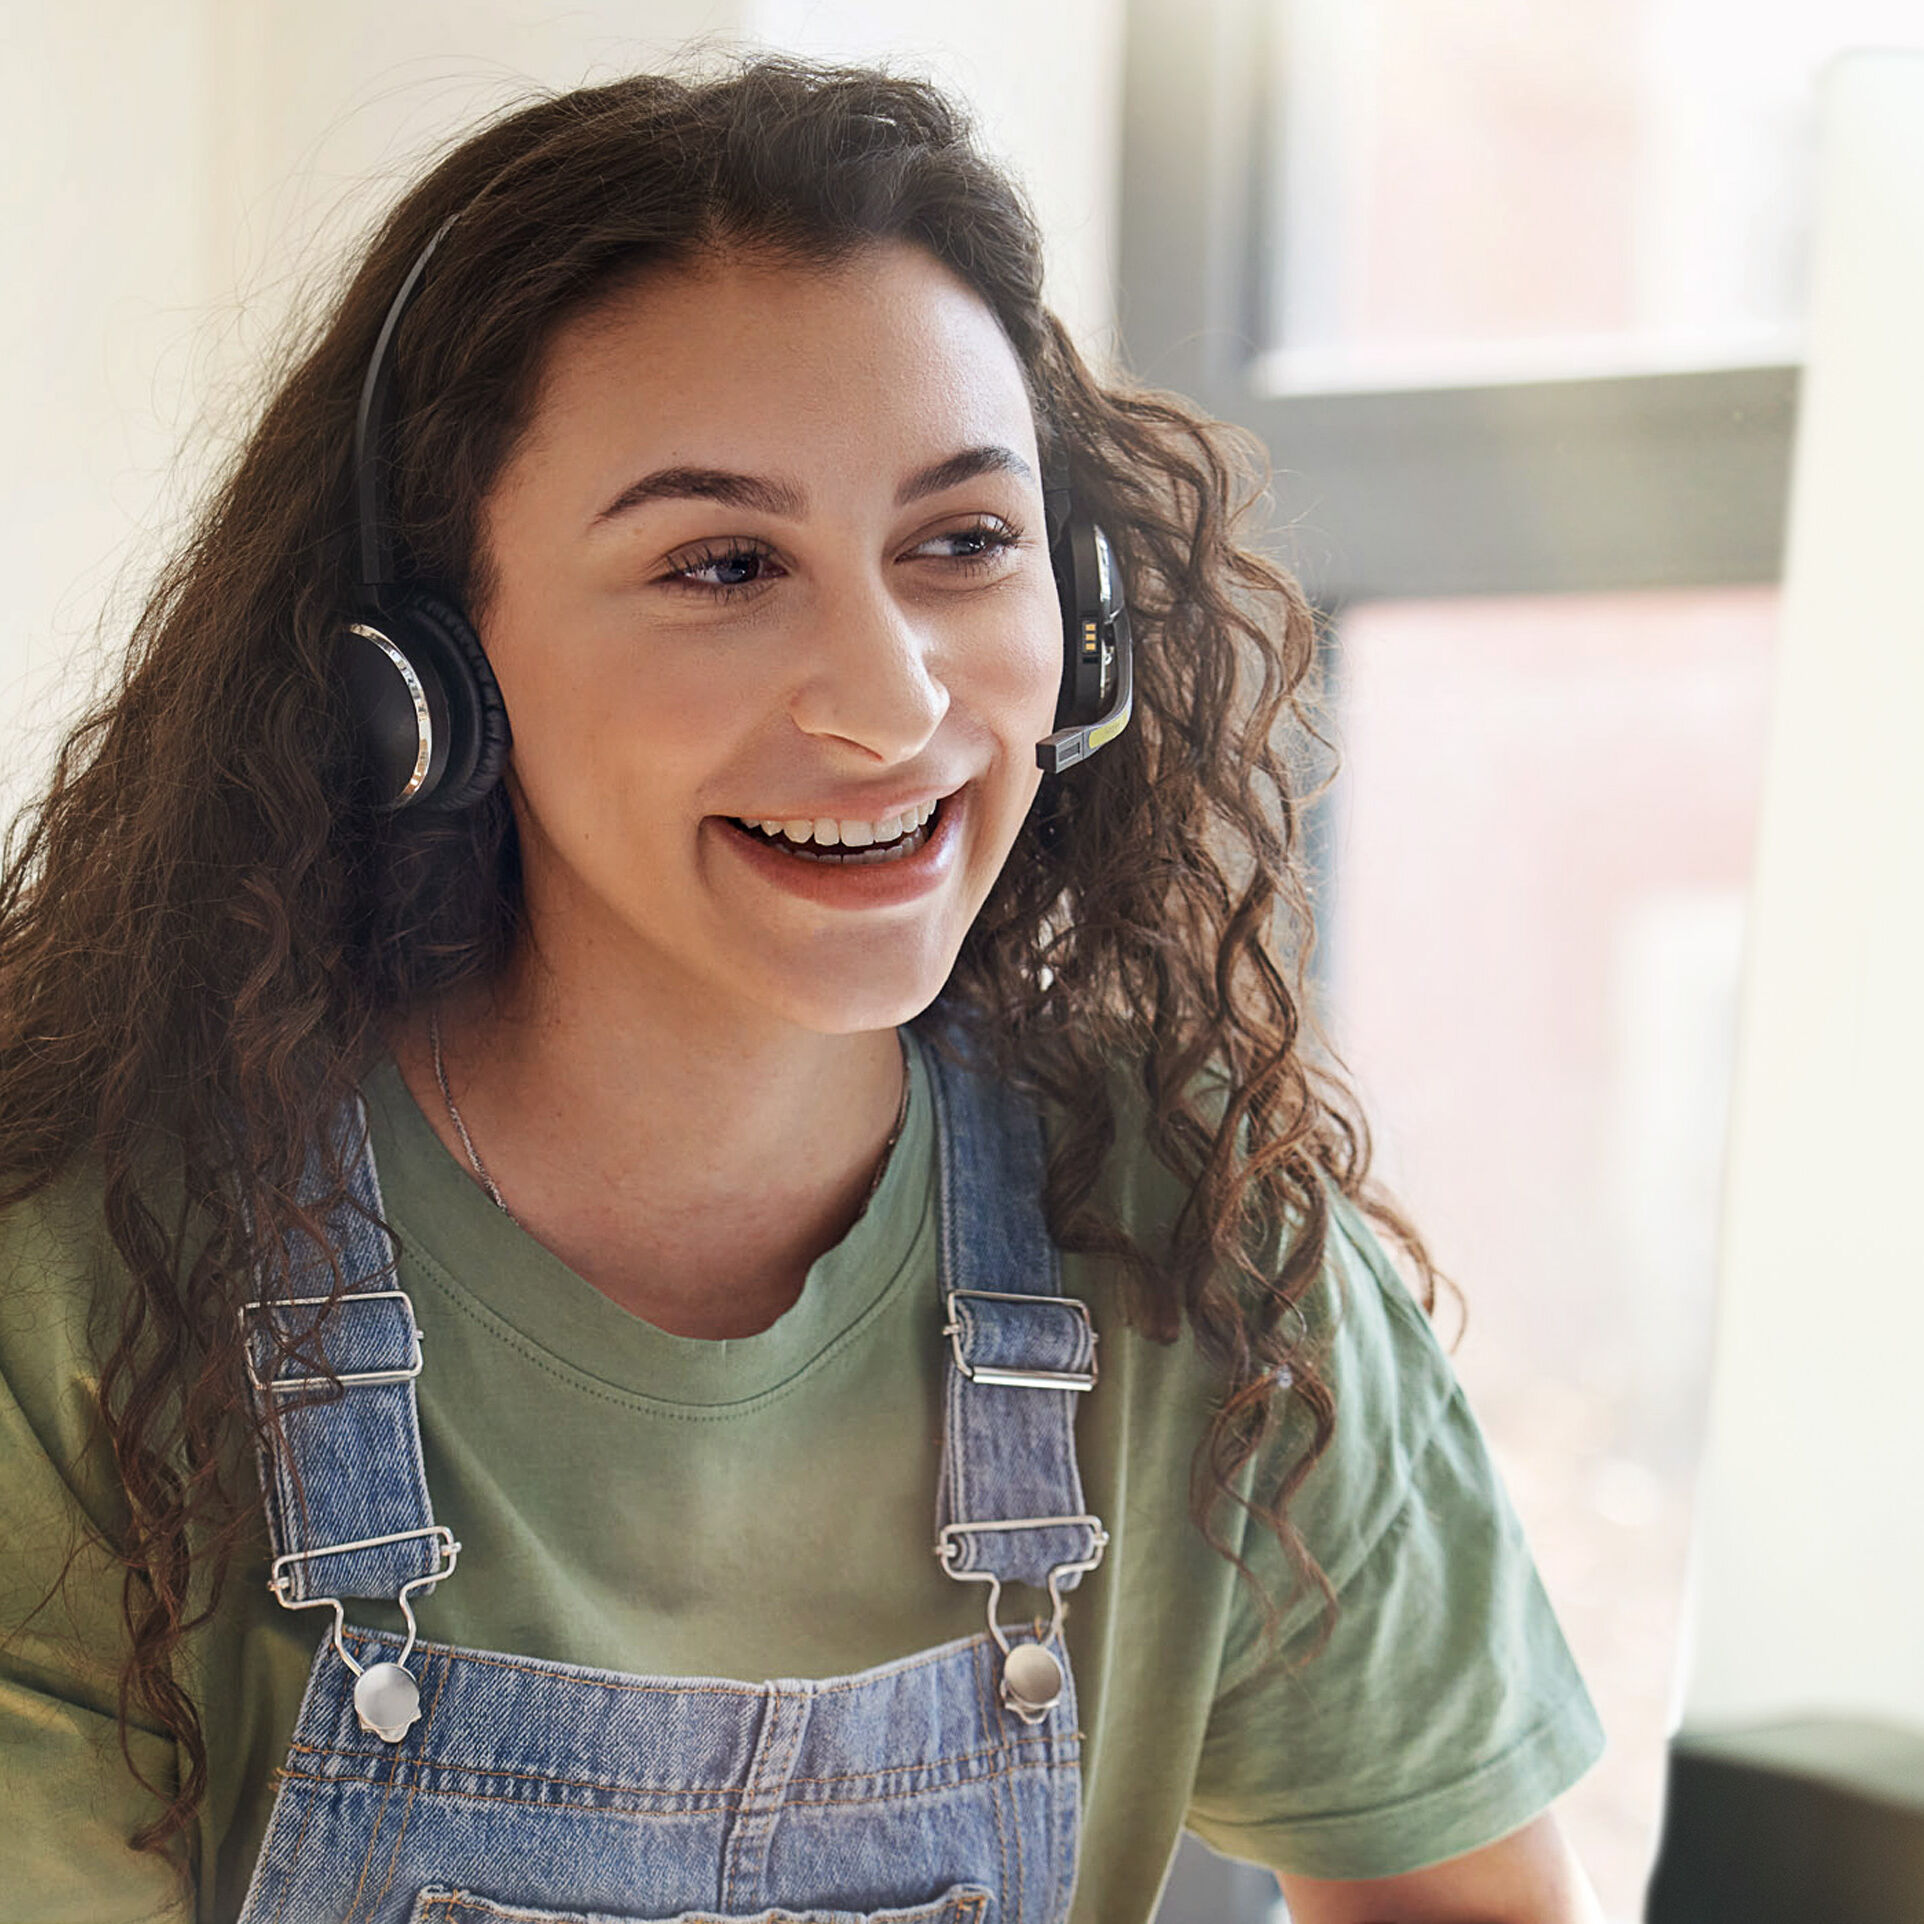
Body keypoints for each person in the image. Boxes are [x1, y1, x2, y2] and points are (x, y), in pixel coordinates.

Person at [0, 53, 1607, 1924]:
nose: (896, 701)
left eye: (961, 543)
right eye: (722, 564)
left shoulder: (1200, 1256)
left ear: (1076, 619)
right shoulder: (84, 1300)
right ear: (421, 675)